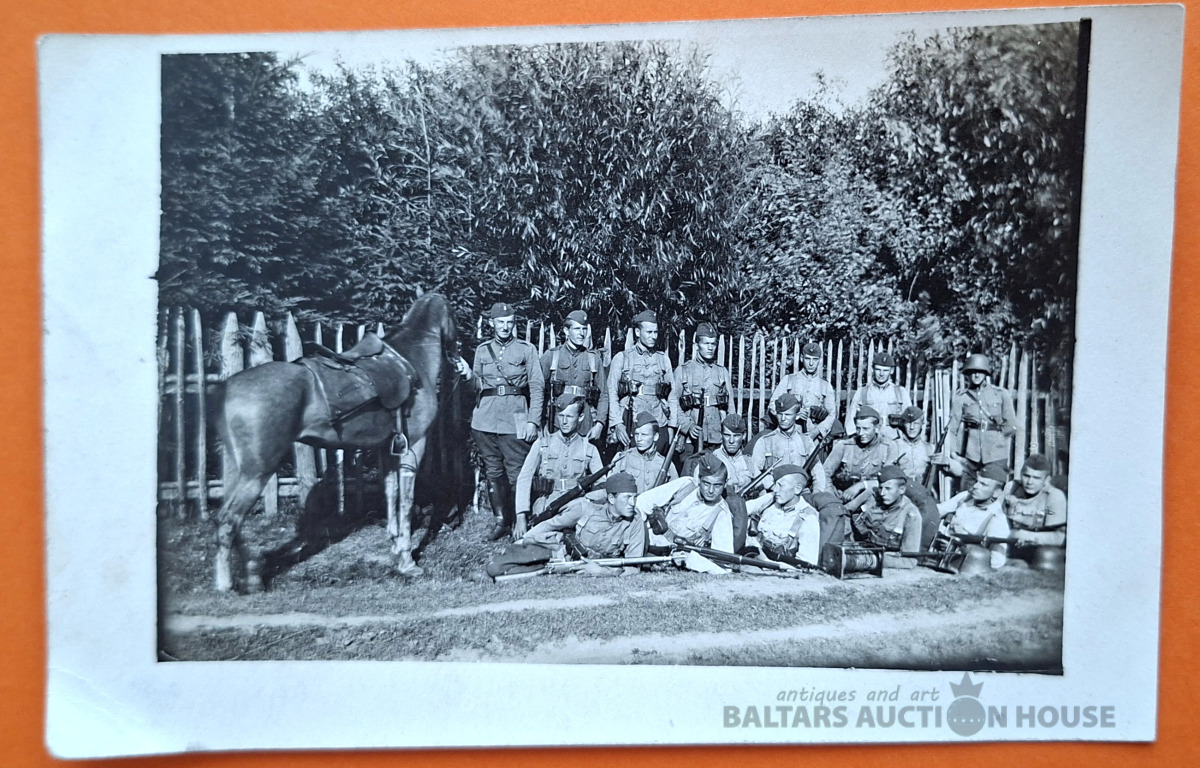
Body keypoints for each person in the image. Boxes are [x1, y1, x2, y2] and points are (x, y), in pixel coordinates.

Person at [458, 302, 545, 541]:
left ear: (513, 324)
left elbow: (537, 386)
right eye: (500, 323)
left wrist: (533, 421)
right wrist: (468, 375)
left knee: (518, 472)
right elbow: (476, 386)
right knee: (493, 471)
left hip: (515, 419)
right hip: (484, 420)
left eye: (509, 323)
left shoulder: (526, 349)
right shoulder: (482, 350)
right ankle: (500, 521)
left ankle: (520, 519)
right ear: (492, 323)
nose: (505, 327)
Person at [485, 472, 646, 579]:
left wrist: (603, 572)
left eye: (634, 497)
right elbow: (551, 525)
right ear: (611, 499)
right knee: (496, 568)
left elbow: (633, 567)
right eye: (627, 497)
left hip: (589, 564)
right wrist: (524, 540)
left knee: (518, 573)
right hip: (559, 552)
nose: (633, 503)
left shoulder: (635, 521)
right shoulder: (585, 507)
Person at [514, 394, 604, 536]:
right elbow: (524, 477)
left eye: (569, 416)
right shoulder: (543, 444)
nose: (564, 421)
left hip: (576, 506)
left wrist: (588, 501)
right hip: (546, 506)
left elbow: (602, 484)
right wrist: (521, 516)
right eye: (561, 416)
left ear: (580, 417)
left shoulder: (588, 448)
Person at [945, 353, 1017, 490]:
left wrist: (999, 443)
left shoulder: (1000, 394)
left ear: (986, 373)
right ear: (968, 374)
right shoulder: (962, 398)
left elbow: (1011, 425)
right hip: (970, 454)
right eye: (972, 372)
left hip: (995, 455)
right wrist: (954, 453)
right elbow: (952, 428)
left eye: (980, 371)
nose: (976, 375)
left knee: (995, 491)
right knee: (968, 491)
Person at [636, 454, 735, 553]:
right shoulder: (686, 485)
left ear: (725, 484)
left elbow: (723, 554)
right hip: (645, 540)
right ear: (699, 479)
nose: (711, 490)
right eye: (706, 483)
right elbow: (643, 501)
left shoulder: (721, 513)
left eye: (717, 485)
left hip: (674, 556)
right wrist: (637, 531)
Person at [607, 310, 673, 451]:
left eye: (655, 332)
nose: (653, 336)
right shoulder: (622, 358)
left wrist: (671, 427)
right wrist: (617, 423)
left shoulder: (663, 359)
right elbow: (611, 393)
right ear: (637, 332)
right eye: (649, 332)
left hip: (658, 420)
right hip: (631, 421)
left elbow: (672, 396)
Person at [539, 309, 607, 443]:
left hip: (585, 422)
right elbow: (538, 391)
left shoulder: (593, 358)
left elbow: (604, 394)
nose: (581, 333)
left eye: (584, 329)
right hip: (557, 421)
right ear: (566, 331)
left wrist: (600, 424)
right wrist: (540, 423)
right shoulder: (552, 356)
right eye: (577, 329)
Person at [669, 322, 732, 454]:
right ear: (697, 346)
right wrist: (687, 426)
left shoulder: (721, 372)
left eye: (713, 344)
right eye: (706, 343)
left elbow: (730, 407)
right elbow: (673, 404)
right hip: (689, 439)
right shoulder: (683, 371)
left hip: (716, 437)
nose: (710, 348)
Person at [845, 465, 924, 568]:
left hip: (877, 561)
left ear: (901, 490)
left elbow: (910, 561)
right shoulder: (871, 496)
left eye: (888, 489)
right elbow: (845, 512)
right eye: (881, 488)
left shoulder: (911, 515)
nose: (882, 493)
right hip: (853, 547)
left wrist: (873, 560)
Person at [823, 405, 901, 507]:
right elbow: (824, 473)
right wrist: (831, 496)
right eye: (858, 428)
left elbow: (889, 480)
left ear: (876, 428)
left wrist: (861, 485)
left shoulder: (889, 446)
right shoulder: (844, 445)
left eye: (866, 429)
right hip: (843, 498)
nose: (861, 433)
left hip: (875, 501)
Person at [937, 464, 1012, 569]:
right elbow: (938, 511)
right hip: (937, 554)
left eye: (983, 484)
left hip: (960, 566)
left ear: (996, 492)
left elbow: (996, 561)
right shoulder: (965, 497)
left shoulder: (997, 520)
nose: (976, 486)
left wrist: (961, 552)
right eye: (977, 481)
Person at [750, 393, 829, 492]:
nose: (783, 419)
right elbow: (755, 471)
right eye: (780, 414)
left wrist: (817, 492)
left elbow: (818, 472)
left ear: (797, 416)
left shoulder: (806, 441)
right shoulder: (765, 441)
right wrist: (767, 490)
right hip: (774, 493)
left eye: (787, 415)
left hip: (801, 493)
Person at [745, 464, 821, 567]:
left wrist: (765, 561)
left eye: (781, 485)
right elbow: (743, 509)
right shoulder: (771, 500)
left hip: (777, 572)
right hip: (750, 557)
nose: (775, 489)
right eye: (775, 484)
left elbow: (806, 565)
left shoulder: (807, 518)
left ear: (797, 489)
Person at [892, 405, 942, 549]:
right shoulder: (895, 446)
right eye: (908, 423)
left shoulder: (930, 448)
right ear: (903, 424)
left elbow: (957, 471)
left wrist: (946, 461)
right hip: (904, 493)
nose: (912, 427)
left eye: (916, 423)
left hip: (925, 492)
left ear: (922, 424)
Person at [1003, 453, 1067, 553]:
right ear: (1021, 474)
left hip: (1037, 551)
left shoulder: (1054, 496)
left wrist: (1024, 535)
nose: (1029, 482)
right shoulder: (1012, 488)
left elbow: (1060, 537)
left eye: (1036, 478)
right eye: (1026, 476)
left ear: (1047, 480)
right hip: (1009, 546)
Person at [769, 342, 837, 436]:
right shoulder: (789, 380)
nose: (811, 363)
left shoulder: (825, 385)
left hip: (813, 435)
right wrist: (794, 411)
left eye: (815, 359)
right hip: (788, 433)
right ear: (801, 358)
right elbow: (773, 405)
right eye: (807, 359)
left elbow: (831, 415)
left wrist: (816, 431)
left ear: (820, 360)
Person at [845, 352, 912, 440]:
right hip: (869, 439)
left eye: (885, 370)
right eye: (878, 369)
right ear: (873, 369)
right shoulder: (863, 392)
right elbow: (851, 420)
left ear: (892, 371)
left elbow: (910, 419)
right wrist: (855, 439)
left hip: (893, 438)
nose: (881, 374)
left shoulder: (900, 392)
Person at [613, 411, 677, 493]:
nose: (639, 439)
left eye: (644, 435)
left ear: (655, 436)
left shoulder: (665, 464)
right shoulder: (622, 458)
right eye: (637, 434)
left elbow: (676, 492)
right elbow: (611, 489)